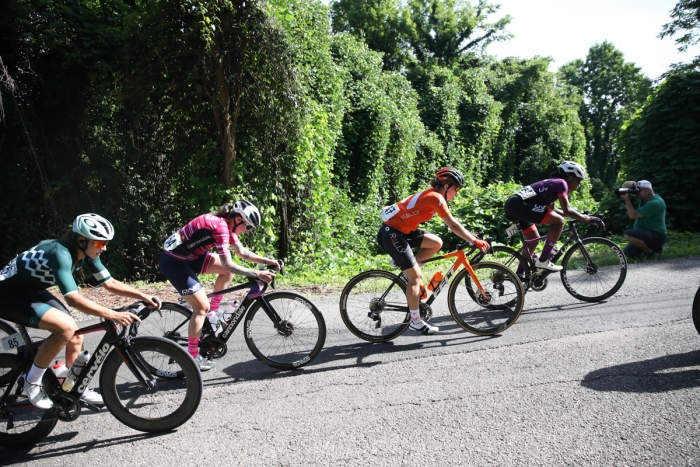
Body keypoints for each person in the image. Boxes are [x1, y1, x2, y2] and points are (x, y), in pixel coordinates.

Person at [0, 214, 160, 409]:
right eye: (101, 243)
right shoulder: (60, 253)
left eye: (106, 243)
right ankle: (31, 381)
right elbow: (73, 299)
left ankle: (71, 385)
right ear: (82, 240)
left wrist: (143, 296)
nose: (105, 248)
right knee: (65, 328)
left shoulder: (85, 253)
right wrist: (113, 314)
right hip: (8, 296)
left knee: (75, 335)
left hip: (29, 290)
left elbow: (109, 283)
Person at [158, 200, 282, 370]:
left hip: (191, 256)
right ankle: (192, 358)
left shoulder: (225, 224)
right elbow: (228, 264)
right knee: (201, 307)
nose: (247, 232)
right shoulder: (221, 228)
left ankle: (214, 313)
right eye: (248, 227)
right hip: (174, 262)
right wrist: (256, 273)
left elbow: (242, 252)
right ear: (238, 219)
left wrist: (269, 261)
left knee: (227, 275)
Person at [377, 167, 490, 335]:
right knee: (416, 278)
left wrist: (470, 237)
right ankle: (415, 320)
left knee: (436, 242)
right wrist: (474, 240)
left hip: (403, 231)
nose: (457, 193)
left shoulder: (432, 195)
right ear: (445, 185)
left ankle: (406, 269)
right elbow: (452, 225)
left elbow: (453, 225)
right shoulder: (434, 198)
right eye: (456, 188)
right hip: (391, 233)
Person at [504, 161, 603, 274]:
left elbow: (553, 211)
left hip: (514, 205)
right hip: (520, 206)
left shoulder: (553, 184)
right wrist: (588, 219)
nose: (579, 184)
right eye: (579, 180)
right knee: (559, 222)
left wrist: (581, 216)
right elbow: (567, 211)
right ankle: (543, 260)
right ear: (571, 177)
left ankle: (520, 275)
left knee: (533, 241)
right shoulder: (562, 183)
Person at [619, 180, 667, 259]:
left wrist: (627, 199)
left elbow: (632, 215)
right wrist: (628, 184)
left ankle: (650, 252)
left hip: (657, 236)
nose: (637, 193)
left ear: (648, 190)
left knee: (628, 233)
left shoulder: (656, 202)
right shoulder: (643, 197)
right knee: (626, 255)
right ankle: (655, 250)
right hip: (645, 235)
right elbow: (623, 189)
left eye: (639, 190)